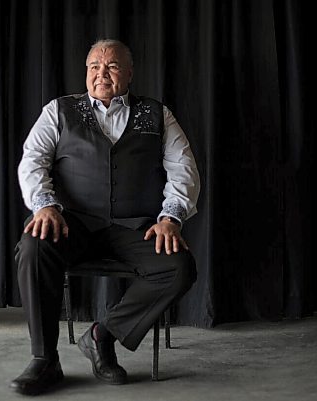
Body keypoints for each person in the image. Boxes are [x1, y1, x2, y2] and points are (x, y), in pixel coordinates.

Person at [11, 39, 200, 396]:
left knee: (179, 267)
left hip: (135, 228)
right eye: (95, 66)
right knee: (34, 246)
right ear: (86, 72)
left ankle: (102, 335)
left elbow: (183, 168)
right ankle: (44, 359)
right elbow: (32, 160)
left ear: (129, 73)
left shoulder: (157, 114)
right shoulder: (59, 110)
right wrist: (45, 205)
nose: (102, 73)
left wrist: (170, 218)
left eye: (112, 66)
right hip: (74, 224)